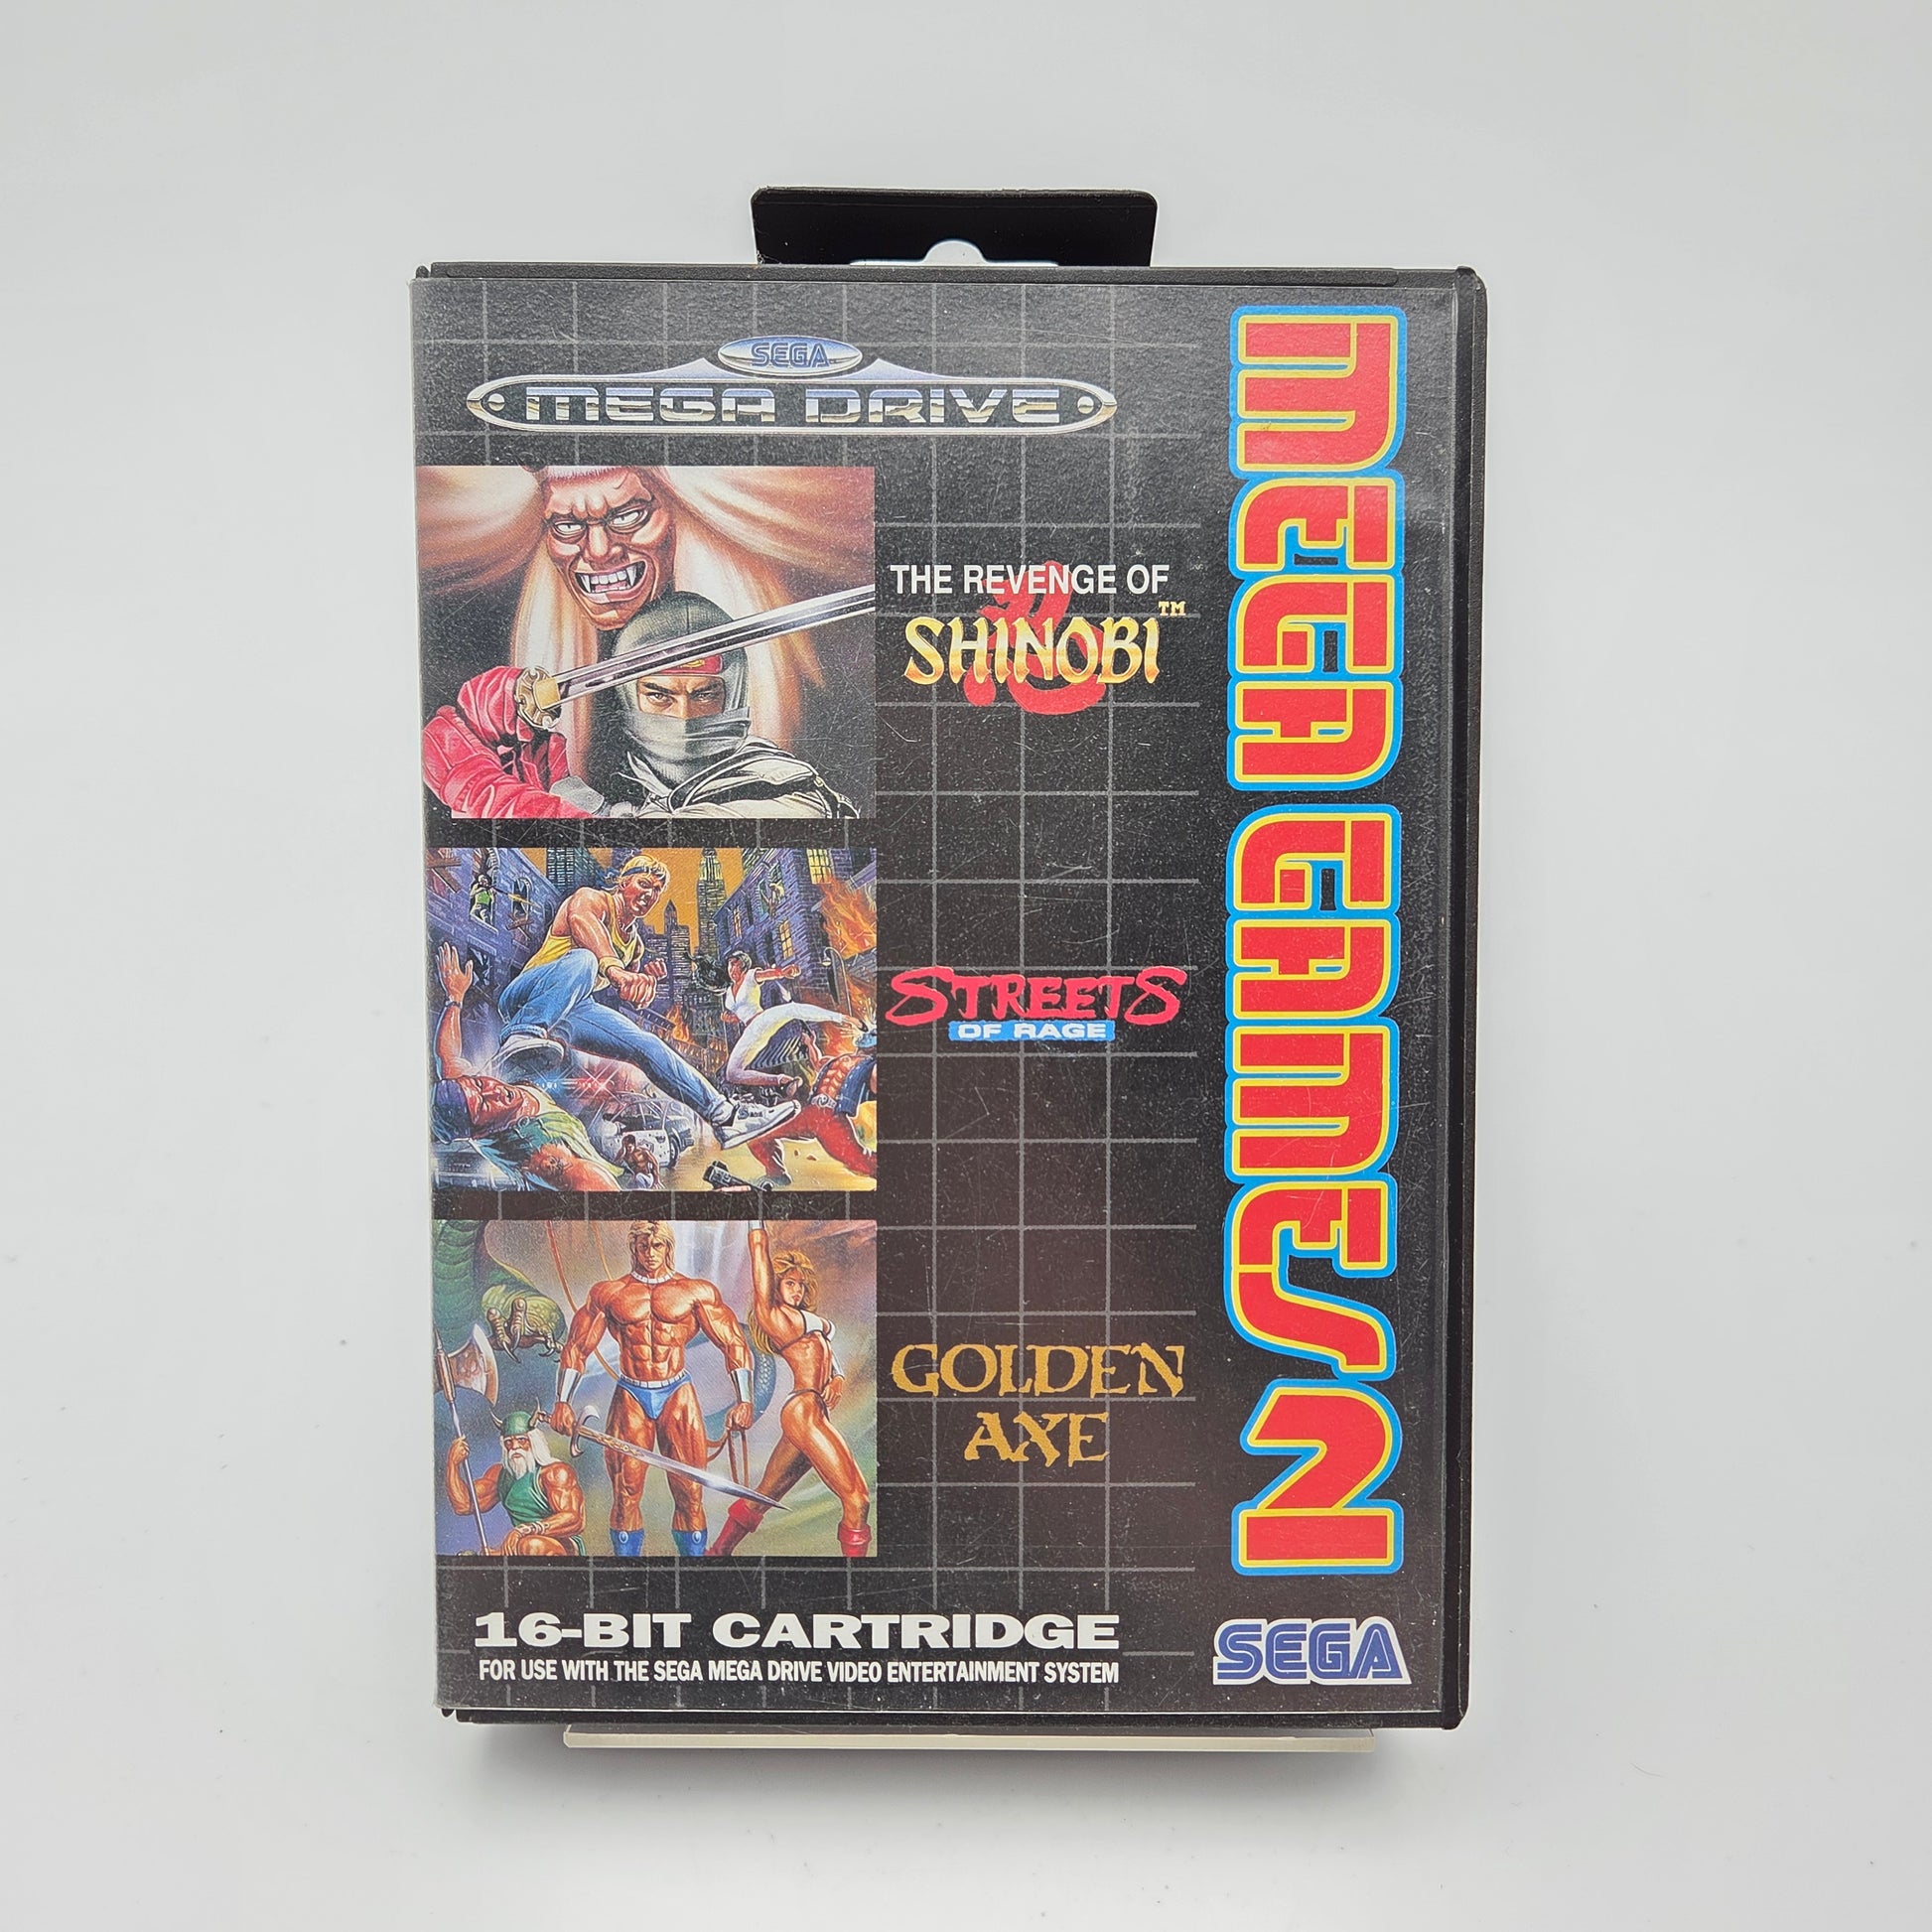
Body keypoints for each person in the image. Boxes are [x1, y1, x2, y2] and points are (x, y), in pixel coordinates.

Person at [418, 465, 869, 821]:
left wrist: (478, 787)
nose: (598, 550)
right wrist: (494, 718)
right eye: (568, 526)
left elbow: (621, 829)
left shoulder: (785, 793)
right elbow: (578, 805)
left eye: (629, 515)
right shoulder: (639, 786)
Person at [493, 853, 796, 1150]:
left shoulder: (635, 945)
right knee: (584, 959)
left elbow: (627, 993)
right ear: (623, 883)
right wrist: (616, 970)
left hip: (572, 1010)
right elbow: (581, 921)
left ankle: (724, 1115)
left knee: (647, 1045)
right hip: (527, 997)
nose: (650, 894)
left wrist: (644, 984)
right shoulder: (593, 899)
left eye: (656, 890)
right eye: (643, 884)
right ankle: (520, 1035)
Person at [548, 1221, 755, 1558]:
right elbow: (576, 1347)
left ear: (668, 1247)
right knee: (625, 1493)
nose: (650, 1253)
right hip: (631, 1394)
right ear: (634, 1248)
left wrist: (744, 1398)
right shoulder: (610, 1293)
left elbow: (733, 1342)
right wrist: (562, 1401)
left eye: (657, 1246)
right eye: (644, 1246)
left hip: (677, 1394)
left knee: (690, 1493)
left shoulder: (695, 1292)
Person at [712, 1227, 870, 1558]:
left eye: (801, 1285)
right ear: (775, 1285)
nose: (797, 1290)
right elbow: (759, 1251)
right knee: (857, 1499)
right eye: (789, 1283)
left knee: (761, 1498)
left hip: (811, 1411)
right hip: (803, 1411)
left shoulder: (806, 1320)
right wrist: (755, 1222)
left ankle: (716, 1554)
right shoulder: (775, 1316)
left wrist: (838, 1376)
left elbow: (825, 1353)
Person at [431, 944, 623, 1190]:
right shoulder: (541, 1155)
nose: (493, 1090)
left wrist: (454, 998)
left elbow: (447, 1057)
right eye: (484, 1105)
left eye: (479, 1083)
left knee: (582, 963)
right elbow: (589, 1182)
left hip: (528, 1058)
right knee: (583, 961)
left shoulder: (464, 1095)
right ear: (479, 1131)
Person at [743, 1029, 878, 1184]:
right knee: (757, 1138)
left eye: (873, 1035)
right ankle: (777, 1175)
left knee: (860, 1161)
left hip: (830, 1119)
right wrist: (810, 1044)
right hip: (809, 1113)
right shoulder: (841, 1059)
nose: (866, 1035)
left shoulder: (872, 1066)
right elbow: (818, 1063)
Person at [445, 1413, 585, 1555]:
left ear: (534, 1441)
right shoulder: (500, 1476)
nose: (514, 1447)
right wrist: (452, 1464)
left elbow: (574, 1519)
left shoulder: (556, 1472)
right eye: (508, 1442)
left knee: (531, 1545)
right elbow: (464, 1505)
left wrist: (524, 1530)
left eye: (521, 1440)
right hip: (521, 1543)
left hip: (563, 1545)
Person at [716, 950, 850, 1093]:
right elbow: (742, 1014)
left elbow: (766, 974)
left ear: (743, 967)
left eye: (736, 965)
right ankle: (783, 1081)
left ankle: (842, 1018)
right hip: (749, 1031)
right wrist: (731, 1019)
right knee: (732, 1073)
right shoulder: (728, 993)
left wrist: (782, 972)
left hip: (761, 1020)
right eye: (730, 965)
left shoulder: (750, 976)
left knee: (792, 1009)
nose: (732, 969)